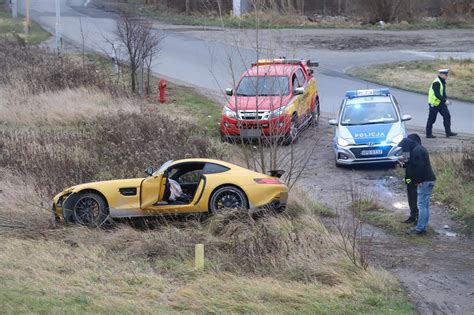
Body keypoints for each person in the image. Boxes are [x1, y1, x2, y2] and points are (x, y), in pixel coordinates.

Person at [399, 133, 436, 235]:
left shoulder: (417, 150)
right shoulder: (414, 150)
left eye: (404, 149)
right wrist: (402, 163)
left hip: (421, 181)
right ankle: (416, 220)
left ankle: (420, 228)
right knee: (421, 203)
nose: (404, 152)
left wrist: (417, 181)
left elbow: (420, 167)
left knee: (422, 204)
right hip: (412, 180)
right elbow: (408, 164)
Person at [398, 134, 422, 224]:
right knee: (411, 195)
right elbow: (406, 164)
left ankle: (417, 217)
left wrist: (402, 162)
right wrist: (402, 164)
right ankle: (413, 215)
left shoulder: (412, 150)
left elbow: (406, 160)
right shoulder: (415, 150)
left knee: (415, 196)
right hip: (409, 178)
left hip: (415, 179)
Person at [426, 69, 457, 138]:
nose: (447, 76)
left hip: (440, 103)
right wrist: (445, 101)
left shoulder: (442, 82)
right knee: (431, 119)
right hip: (434, 103)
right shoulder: (436, 82)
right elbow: (437, 94)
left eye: (447, 75)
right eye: (446, 75)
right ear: (441, 74)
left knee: (447, 116)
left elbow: (442, 93)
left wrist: (445, 100)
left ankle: (448, 132)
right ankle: (428, 134)